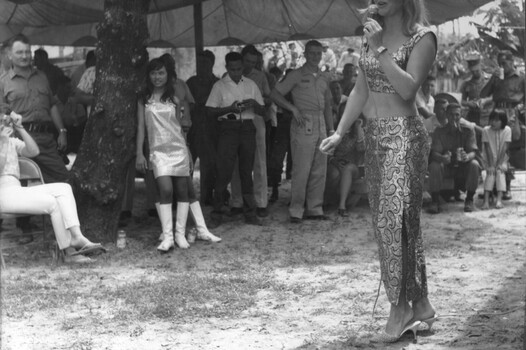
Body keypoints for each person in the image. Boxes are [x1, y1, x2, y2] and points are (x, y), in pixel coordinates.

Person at [319, 0, 437, 342]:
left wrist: (379, 48)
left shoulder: (423, 38)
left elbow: (407, 90)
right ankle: (422, 303)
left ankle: (400, 307)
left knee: (391, 220)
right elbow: (361, 88)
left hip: (405, 136)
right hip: (375, 137)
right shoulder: (372, 34)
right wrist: (340, 131)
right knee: (401, 225)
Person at [136, 58, 220, 252]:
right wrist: (139, 153)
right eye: (153, 73)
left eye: (161, 73)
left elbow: (181, 128)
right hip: (157, 151)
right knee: (165, 189)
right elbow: (141, 127)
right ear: (148, 75)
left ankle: (179, 235)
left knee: (183, 191)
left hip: (178, 148)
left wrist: (187, 150)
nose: (157, 77)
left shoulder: (175, 98)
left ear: (168, 75)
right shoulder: (143, 98)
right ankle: (167, 236)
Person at [0, 111, 106, 264]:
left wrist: (21, 128)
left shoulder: (11, 141)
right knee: (51, 203)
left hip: (16, 189)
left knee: (64, 188)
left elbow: (34, 151)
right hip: (3, 193)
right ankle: (69, 253)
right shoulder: (4, 141)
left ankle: (76, 236)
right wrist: (2, 140)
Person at [270, 40, 333, 223]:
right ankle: (296, 210)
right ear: (305, 54)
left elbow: (328, 104)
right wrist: (292, 109)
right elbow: (275, 93)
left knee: (319, 169)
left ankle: (315, 208)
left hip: (320, 121)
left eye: (318, 53)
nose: (315, 56)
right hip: (303, 121)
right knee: (301, 169)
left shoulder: (323, 77)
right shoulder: (297, 74)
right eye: (312, 53)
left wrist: (331, 129)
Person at [205, 52, 265, 227]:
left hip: (247, 127)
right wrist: (229, 109)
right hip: (228, 129)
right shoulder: (219, 86)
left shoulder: (251, 84)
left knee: (247, 172)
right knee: (224, 171)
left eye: (239, 69)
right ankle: (216, 213)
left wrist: (253, 103)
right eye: (233, 69)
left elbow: (262, 111)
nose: (236, 72)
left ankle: (250, 213)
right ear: (226, 68)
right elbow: (209, 112)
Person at [0, 34, 69, 185]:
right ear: (10, 55)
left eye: (27, 52)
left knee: (64, 181)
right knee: (24, 185)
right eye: (19, 52)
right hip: (20, 140)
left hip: (45, 140)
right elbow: (2, 115)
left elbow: (52, 105)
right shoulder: (3, 82)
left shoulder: (42, 76)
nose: (25, 56)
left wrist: (62, 131)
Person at [229, 45, 271, 218]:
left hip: (255, 119)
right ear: (241, 59)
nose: (250, 65)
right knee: (236, 161)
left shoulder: (260, 76)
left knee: (259, 161)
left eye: (254, 62)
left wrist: (257, 101)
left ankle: (261, 202)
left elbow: (269, 97)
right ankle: (237, 201)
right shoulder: (230, 75)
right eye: (247, 61)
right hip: (234, 120)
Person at [480, 50, 525, 200]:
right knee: (493, 147)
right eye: (500, 63)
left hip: (512, 113)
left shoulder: (521, 78)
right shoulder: (496, 78)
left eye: (504, 63)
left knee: (508, 149)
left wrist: (519, 110)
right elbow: (483, 94)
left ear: (512, 62)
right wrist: (492, 79)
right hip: (497, 113)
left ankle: (506, 187)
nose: (502, 66)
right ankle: (492, 187)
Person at [427, 103, 481, 213]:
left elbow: (473, 152)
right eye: (451, 115)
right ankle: (435, 201)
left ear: (461, 115)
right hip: (447, 167)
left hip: (463, 167)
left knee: (474, 164)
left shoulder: (468, 130)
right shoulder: (440, 131)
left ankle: (469, 199)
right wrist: (442, 158)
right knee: (434, 165)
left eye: (457, 115)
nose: (454, 118)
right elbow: (434, 153)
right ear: (446, 115)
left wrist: (467, 156)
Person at [186, 50, 220, 205]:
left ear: (212, 64)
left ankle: (207, 197)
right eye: (199, 63)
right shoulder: (191, 82)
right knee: (187, 165)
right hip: (192, 130)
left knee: (209, 166)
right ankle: (185, 196)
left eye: (205, 63)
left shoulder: (217, 83)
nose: (202, 67)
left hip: (210, 130)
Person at [326, 118, 365, 216]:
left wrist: (358, 128)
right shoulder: (335, 130)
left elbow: (361, 149)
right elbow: (328, 153)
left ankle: (341, 206)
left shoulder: (356, 130)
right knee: (334, 173)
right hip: (336, 162)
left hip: (353, 165)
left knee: (347, 169)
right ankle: (328, 199)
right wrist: (334, 161)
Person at [481, 109, 512, 210]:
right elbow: (487, 148)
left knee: (500, 172)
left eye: (497, 120)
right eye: (492, 120)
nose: (493, 122)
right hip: (488, 159)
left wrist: (499, 164)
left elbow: (504, 148)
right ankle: (485, 201)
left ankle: (499, 200)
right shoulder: (486, 130)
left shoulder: (507, 130)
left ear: (502, 121)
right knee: (490, 173)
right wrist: (491, 165)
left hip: (502, 159)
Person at [459, 52, 488, 126]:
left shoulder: (489, 80)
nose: (475, 73)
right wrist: (468, 103)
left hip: (488, 116)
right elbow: (459, 100)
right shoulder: (466, 83)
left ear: (481, 66)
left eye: (477, 71)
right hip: (473, 117)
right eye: (472, 71)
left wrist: (486, 100)